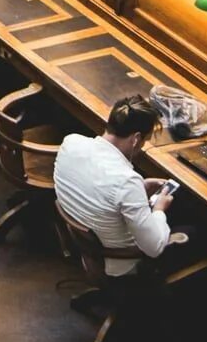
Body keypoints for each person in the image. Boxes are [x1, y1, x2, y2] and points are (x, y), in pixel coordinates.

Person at [53, 94, 181, 277]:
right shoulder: (126, 182)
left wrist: (141, 188)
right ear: (136, 139)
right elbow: (155, 248)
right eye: (145, 141)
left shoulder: (71, 142)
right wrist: (159, 209)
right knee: (192, 230)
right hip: (119, 264)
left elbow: (98, 184)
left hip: (86, 239)